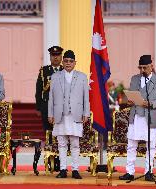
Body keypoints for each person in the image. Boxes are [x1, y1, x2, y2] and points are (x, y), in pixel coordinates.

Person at [119, 55, 156, 181]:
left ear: (151, 66)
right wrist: (129, 101)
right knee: (131, 145)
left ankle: (148, 172)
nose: (142, 70)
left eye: (144, 67)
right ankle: (129, 172)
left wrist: (151, 103)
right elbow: (131, 95)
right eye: (140, 68)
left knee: (151, 145)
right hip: (135, 116)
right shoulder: (135, 79)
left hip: (151, 117)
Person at [48, 50, 90, 179]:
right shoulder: (55, 77)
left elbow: (85, 97)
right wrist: (50, 113)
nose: (68, 63)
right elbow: (51, 97)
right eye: (65, 61)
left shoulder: (82, 77)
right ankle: (63, 170)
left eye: (71, 61)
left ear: (75, 63)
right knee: (61, 143)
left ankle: (75, 169)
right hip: (60, 114)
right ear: (62, 62)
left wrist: (86, 113)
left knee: (75, 143)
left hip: (75, 114)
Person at [35, 45, 63, 171]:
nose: (55, 58)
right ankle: (51, 161)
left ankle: (60, 162)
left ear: (61, 57)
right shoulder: (44, 71)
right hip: (47, 106)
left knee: (61, 134)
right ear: (50, 57)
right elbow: (38, 90)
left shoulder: (65, 70)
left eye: (57, 56)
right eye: (53, 56)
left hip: (62, 107)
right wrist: (39, 108)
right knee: (49, 134)